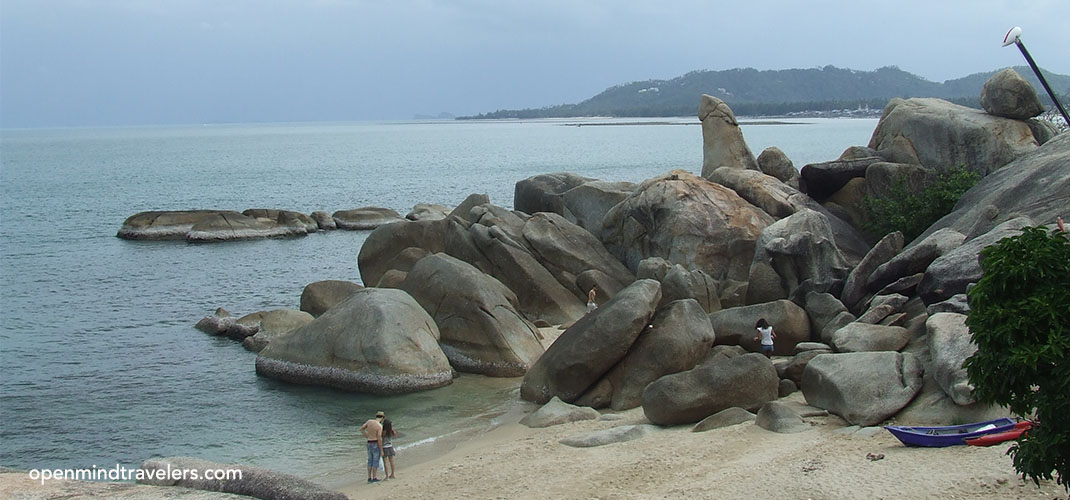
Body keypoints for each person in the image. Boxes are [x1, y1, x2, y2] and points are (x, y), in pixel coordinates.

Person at [359, 411, 386, 483]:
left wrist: (367, 436)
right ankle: (374, 477)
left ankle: (369, 477)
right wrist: (381, 449)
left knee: (370, 460)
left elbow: (361, 429)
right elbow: (379, 438)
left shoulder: (369, 421)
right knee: (375, 461)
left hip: (369, 442)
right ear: (382, 418)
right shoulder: (379, 426)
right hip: (375, 443)